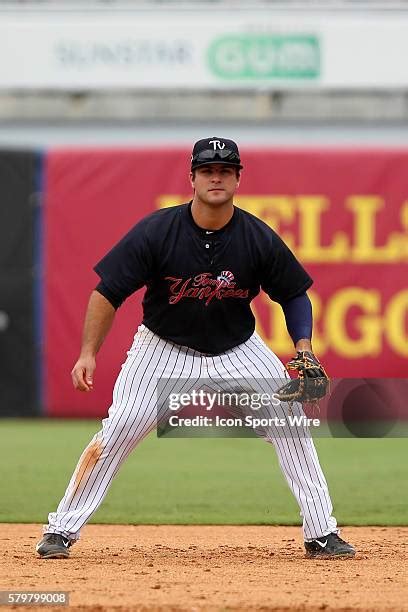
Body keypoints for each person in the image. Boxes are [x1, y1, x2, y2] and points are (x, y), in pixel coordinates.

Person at [36, 137, 355, 560]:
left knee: (290, 423)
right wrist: (88, 351)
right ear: (192, 178)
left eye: (225, 170)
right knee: (121, 427)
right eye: (208, 170)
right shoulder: (158, 231)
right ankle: (61, 529)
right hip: (162, 346)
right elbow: (107, 292)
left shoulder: (257, 237)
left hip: (236, 348)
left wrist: (304, 347)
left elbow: (294, 294)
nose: (216, 177)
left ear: (239, 178)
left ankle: (321, 533)